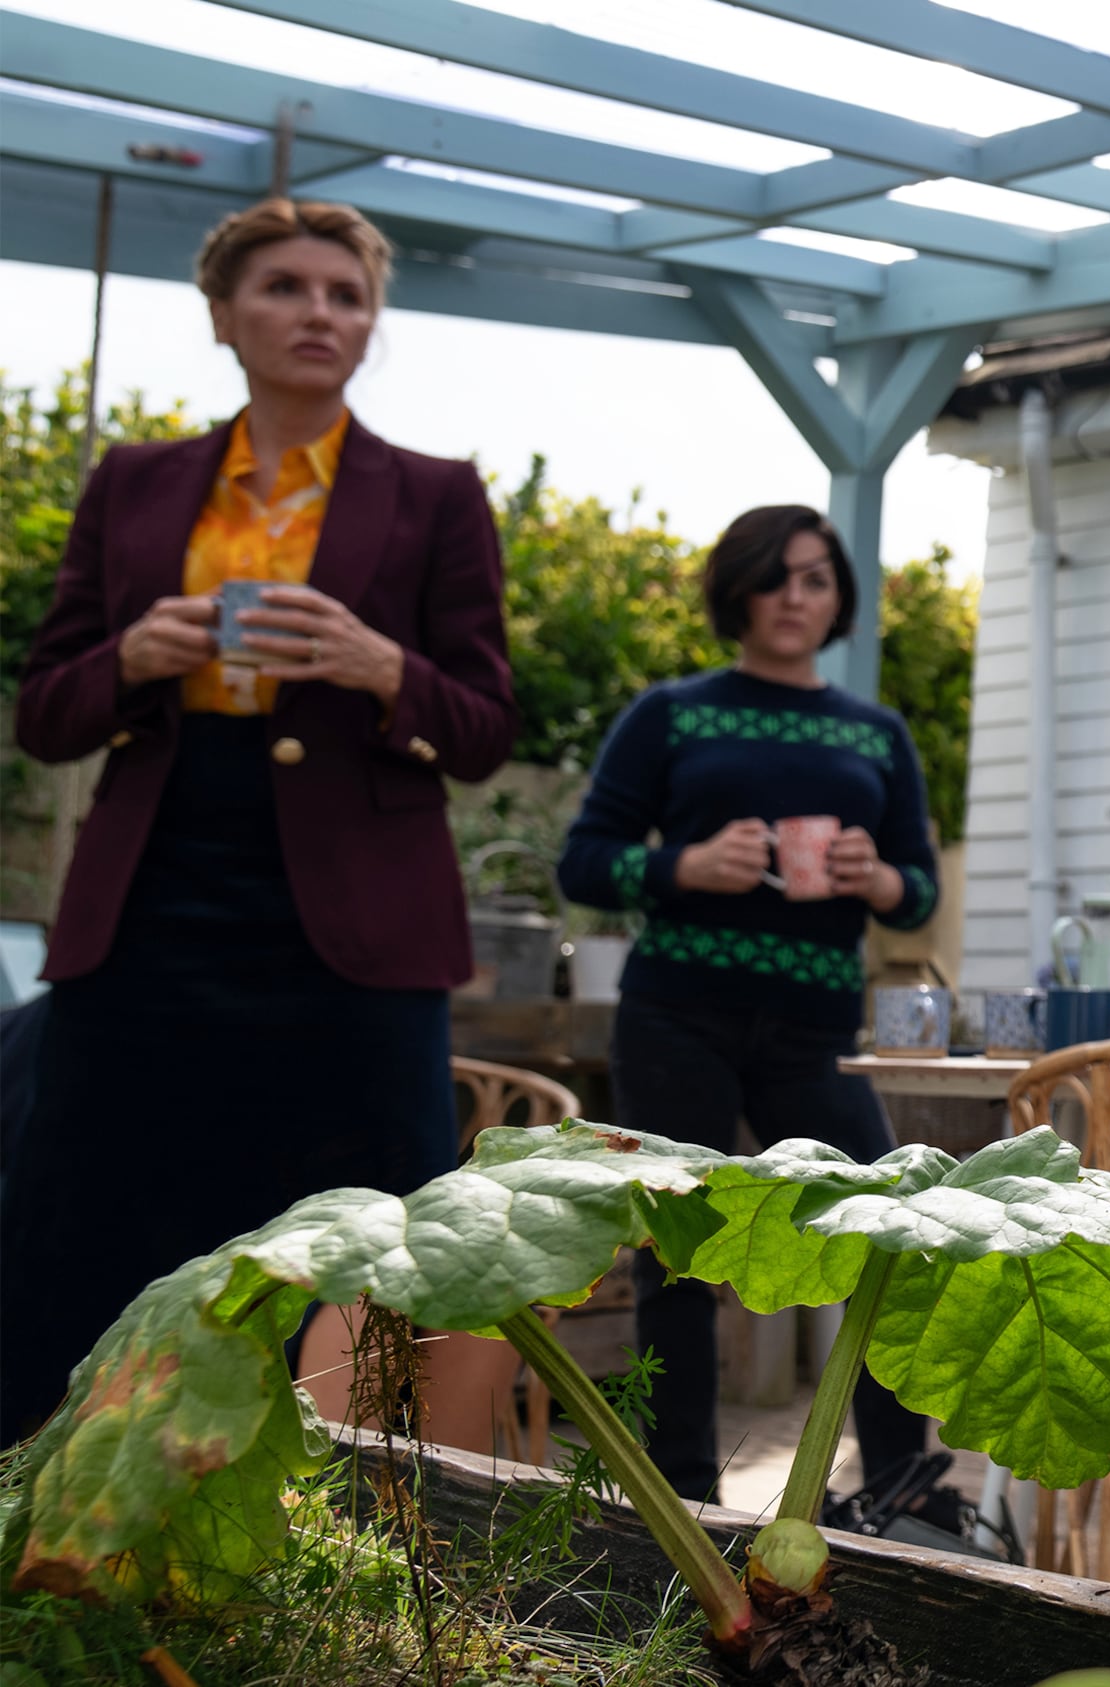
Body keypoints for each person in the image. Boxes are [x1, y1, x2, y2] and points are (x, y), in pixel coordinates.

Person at [5, 198, 520, 1443]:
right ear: (226, 316)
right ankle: (45, 1517)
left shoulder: (437, 496)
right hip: (151, 904)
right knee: (77, 1218)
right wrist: (132, 653)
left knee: (379, 1233)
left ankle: (366, 1538)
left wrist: (377, 663)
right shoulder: (133, 485)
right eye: (287, 288)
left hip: (354, 930)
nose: (321, 314)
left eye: (347, 296)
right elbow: (48, 712)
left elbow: (486, 726)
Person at [555, 505, 941, 1506]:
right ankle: (680, 1493)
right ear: (739, 593)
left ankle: (901, 1481)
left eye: (815, 579)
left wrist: (876, 878)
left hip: (813, 1032)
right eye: (775, 579)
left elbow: (921, 888)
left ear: (838, 599)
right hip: (676, 1014)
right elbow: (584, 862)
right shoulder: (672, 713)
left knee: (883, 1232)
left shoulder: (877, 732)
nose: (795, 598)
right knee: (675, 1258)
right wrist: (687, 863)